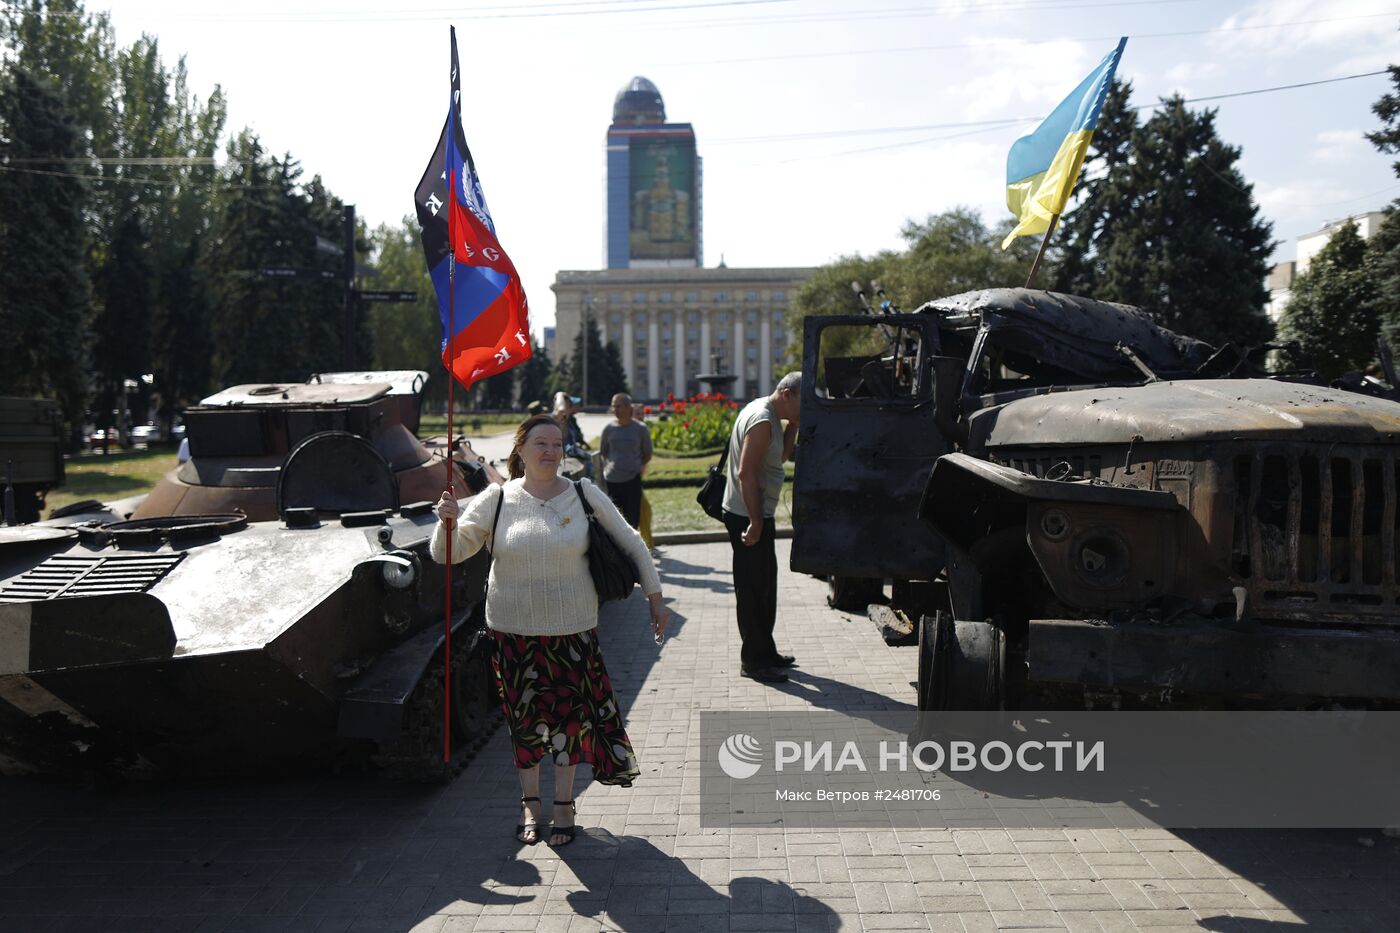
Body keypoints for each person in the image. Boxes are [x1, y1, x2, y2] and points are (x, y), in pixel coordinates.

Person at [432, 414, 668, 848]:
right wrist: (446, 522)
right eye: (540, 443)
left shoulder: (582, 493)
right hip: (511, 633)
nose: (550, 452)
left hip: (571, 631)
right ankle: (529, 802)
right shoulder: (497, 498)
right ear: (520, 450)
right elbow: (450, 552)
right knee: (523, 723)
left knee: (568, 724)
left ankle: (562, 806)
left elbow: (632, 541)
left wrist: (654, 597)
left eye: (557, 444)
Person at [721, 371, 801, 684]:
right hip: (747, 515)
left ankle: (765, 651)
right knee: (752, 590)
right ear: (787, 394)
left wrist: (793, 427)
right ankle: (753, 661)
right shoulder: (762, 420)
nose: (805, 411)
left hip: (756, 513)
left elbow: (777, 459)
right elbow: (746, 474)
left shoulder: (770, 416)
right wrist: (755, 521)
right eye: (803, 404)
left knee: (765, 585)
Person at [599, 393, 653, 529]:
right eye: (613, 406)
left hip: (632, 479)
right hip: (612, 480)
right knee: (614, 520)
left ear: (629, 407)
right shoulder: (608, 429)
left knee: (632, 519)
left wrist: (636, 466)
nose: (615, 410)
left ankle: (631, 549)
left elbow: (647, 453)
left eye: (618, 406)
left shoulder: (640, 429)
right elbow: (604, 452)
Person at [632, 403, 656, 550]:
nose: (641, 416)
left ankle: (647, 545)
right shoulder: (632, 431)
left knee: (645, 512)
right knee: (644, 511)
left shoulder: (640, 430)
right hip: (629, 480)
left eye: (642, 413)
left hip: (636, 479)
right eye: (637, 413)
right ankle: (647, 546)